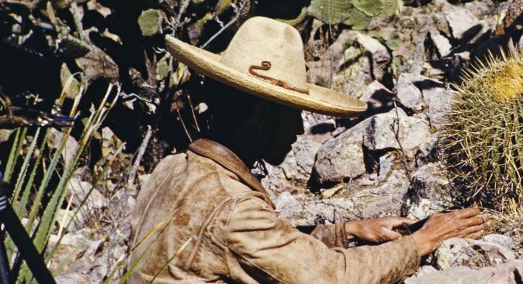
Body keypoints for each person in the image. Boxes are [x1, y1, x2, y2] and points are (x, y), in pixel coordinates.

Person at [128, 16, 489, 283]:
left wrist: (348, 230)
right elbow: (330, 277)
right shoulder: (233, 207)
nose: (299, 128)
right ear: (261, 115)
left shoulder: (171, 168)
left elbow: (244, 247)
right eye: (292, 114)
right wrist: (422, 242)